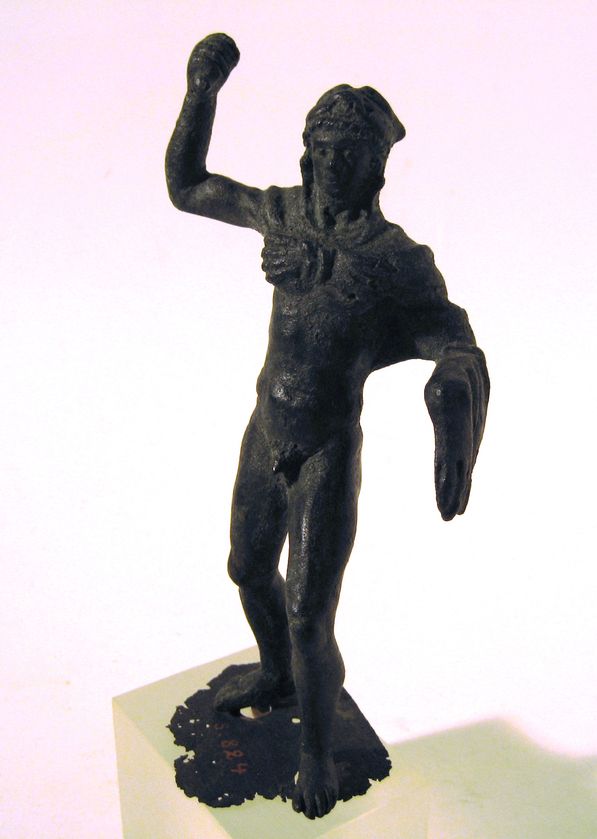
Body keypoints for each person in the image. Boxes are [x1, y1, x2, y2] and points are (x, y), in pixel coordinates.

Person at [166, 33, 489, 820]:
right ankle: (275, 671)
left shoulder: (394, 259)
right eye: (324, 147)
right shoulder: (280, 213)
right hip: (266, 428)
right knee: (247, 568)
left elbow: (453, 335)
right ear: (307, 152)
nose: (335, 162)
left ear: (377, 166)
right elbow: (188, 186)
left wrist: (451, 387)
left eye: (351, 151)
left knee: (311, 614)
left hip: (323, 449)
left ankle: (317, 750)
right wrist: (201, 93)